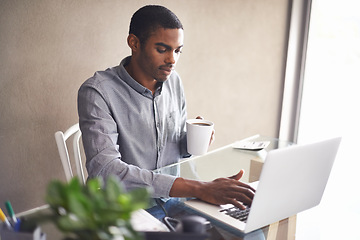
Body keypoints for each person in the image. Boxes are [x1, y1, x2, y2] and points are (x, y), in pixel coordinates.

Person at [77, 5, 255, 219]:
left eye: (177, 50)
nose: (172, 60)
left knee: (248, 227)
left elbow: (172, 153)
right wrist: (199, 188)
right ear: (134, 43)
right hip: (125, 210)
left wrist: (189, 143)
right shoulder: (98, 92)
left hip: (175, 202)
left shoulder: (174, 82)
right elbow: (106, 171)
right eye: (162, 49)